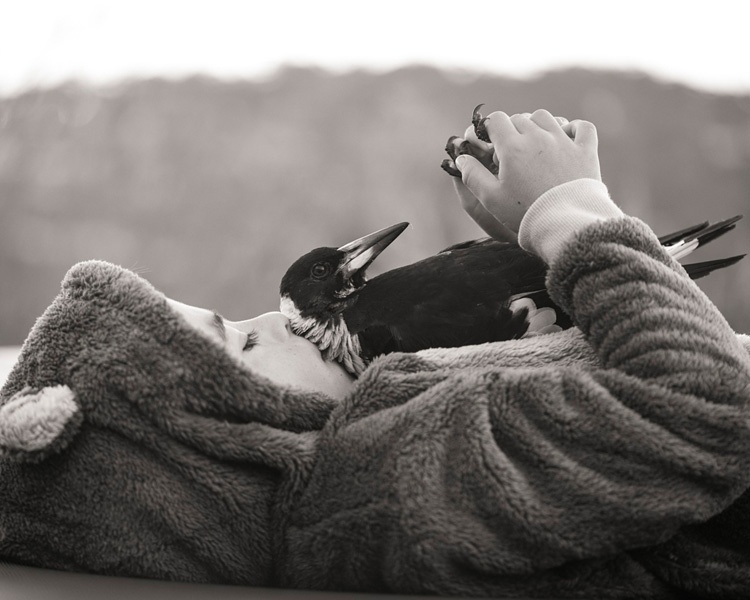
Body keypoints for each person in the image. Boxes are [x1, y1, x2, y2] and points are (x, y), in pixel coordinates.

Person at [2, 109, 750, 599]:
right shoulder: (385, 477)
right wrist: (571, 209)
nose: (278, 320)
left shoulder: (360, 461)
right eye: (243, 337)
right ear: (229, 428)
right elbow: (710, 411)